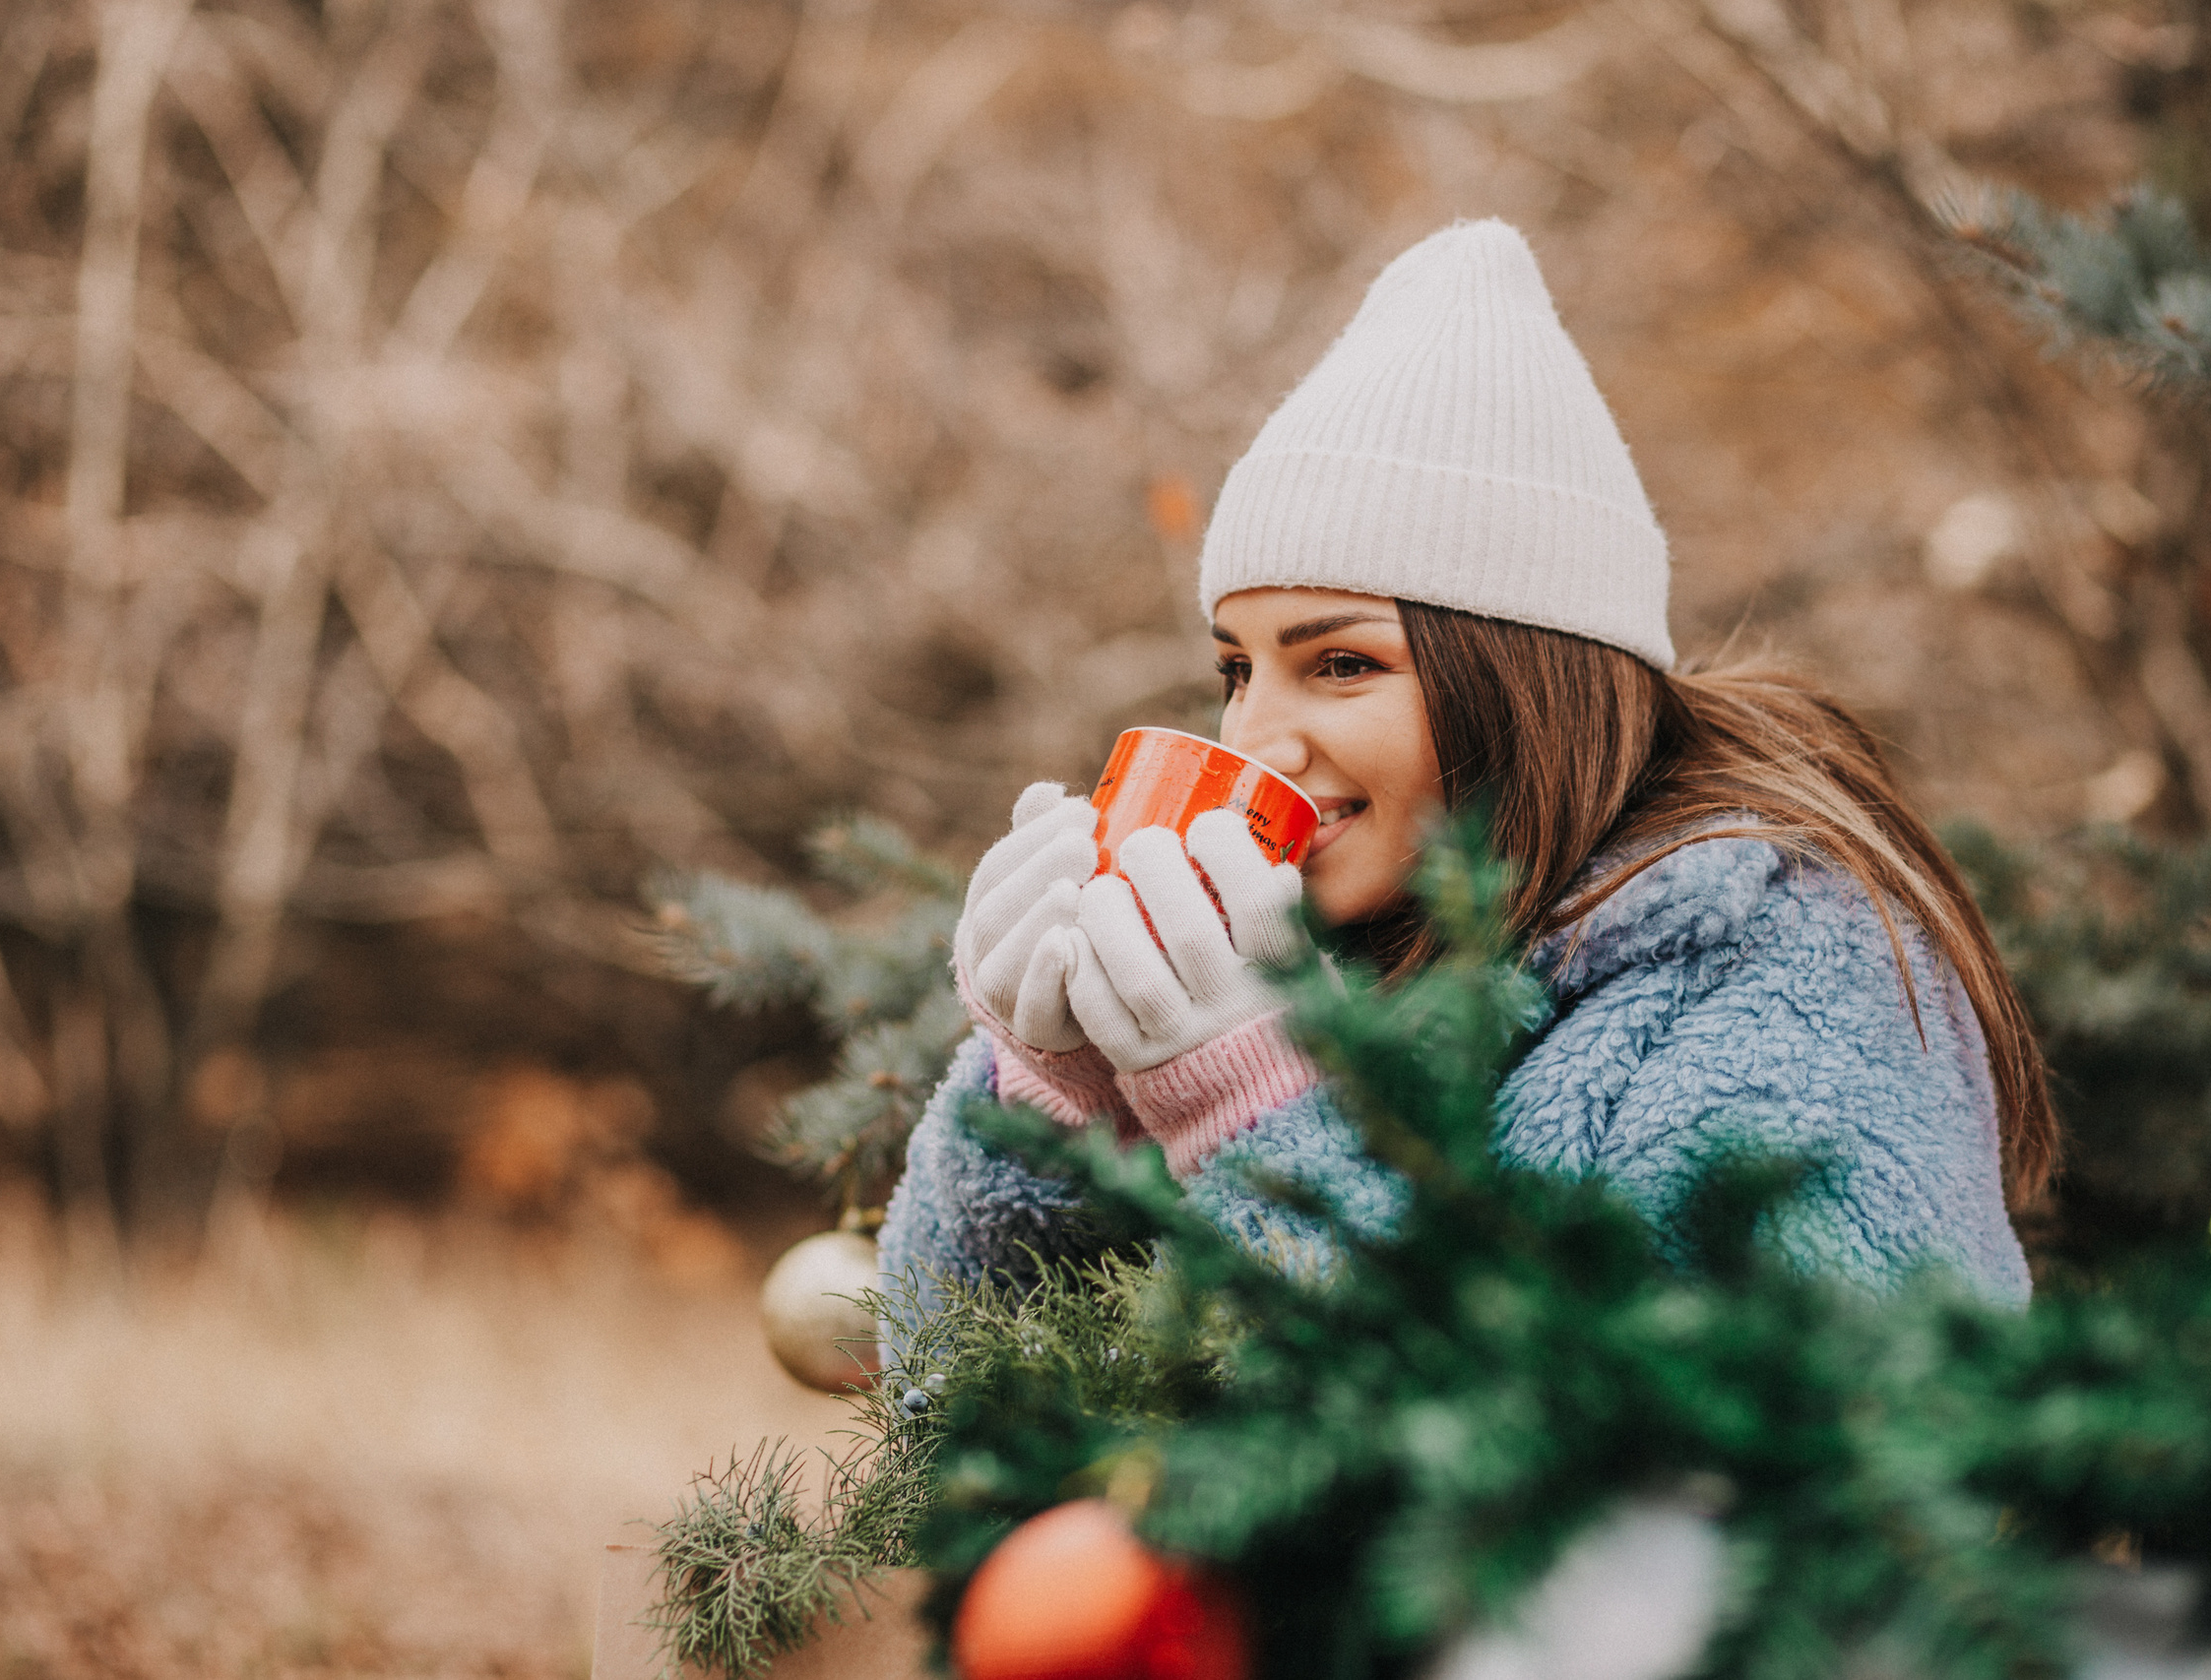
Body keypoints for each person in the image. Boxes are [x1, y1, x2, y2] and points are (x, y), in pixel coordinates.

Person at [879, 220, 2054, 1329]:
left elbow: (1699, 1482)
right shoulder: (1332, 945)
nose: (1255, 743)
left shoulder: (1783, 982)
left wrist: (1262, 1119)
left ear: (1519, 676)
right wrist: (1049, 1108)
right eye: (1238, 668)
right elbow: (959, 1425)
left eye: (1341, 664)